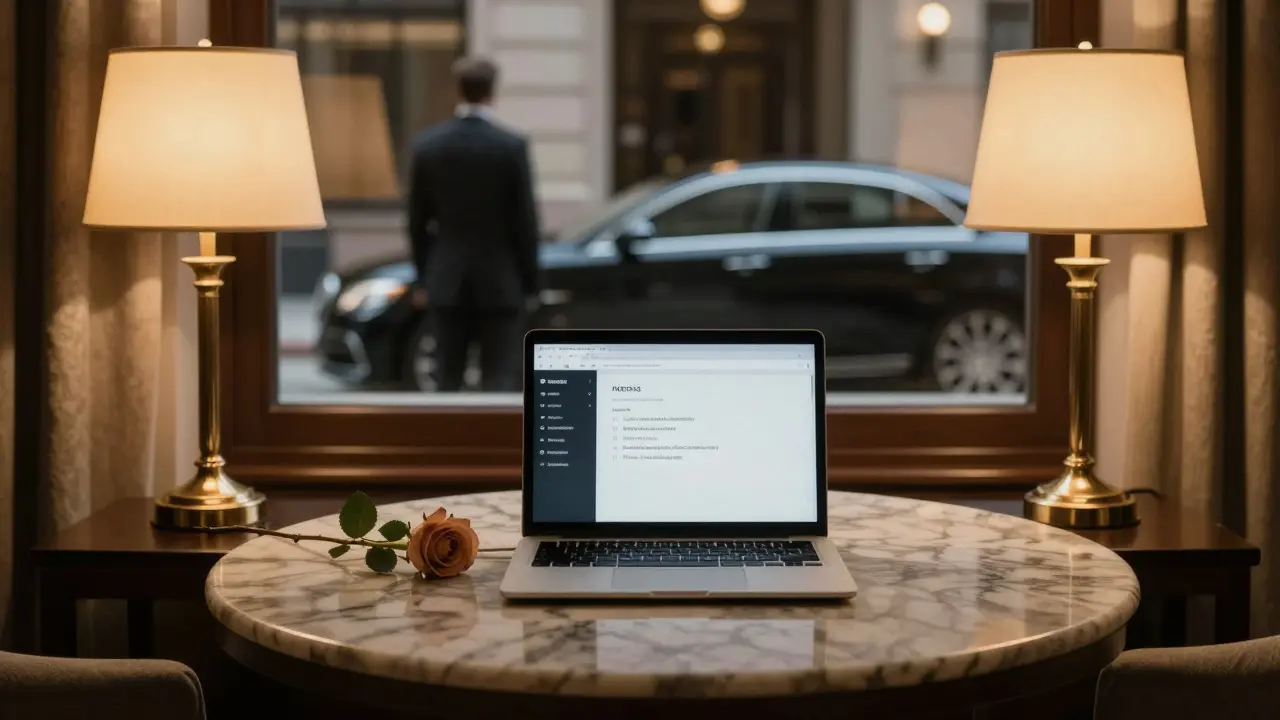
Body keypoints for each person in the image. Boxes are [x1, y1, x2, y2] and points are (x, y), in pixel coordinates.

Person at [407, 57, 540, 392]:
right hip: (499, 279)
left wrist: (424, 277)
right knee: (499, 376)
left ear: (458, 90)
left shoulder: (428, 146)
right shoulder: (510, 147)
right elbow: (524, 222)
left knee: (446, 377)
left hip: (446, 277)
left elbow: (416, 222)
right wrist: (531, 282)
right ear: (492, 93)